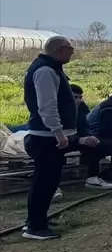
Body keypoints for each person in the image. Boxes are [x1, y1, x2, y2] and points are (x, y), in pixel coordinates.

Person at [21, 36, 78, 240]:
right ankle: (35, 227)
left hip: (49, 136)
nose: (72, 52)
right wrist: (59, 133)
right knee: (44, 182)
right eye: (70, 49)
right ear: (58, 49)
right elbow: (47, 106)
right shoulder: (45, 71)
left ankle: (37, 219)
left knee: (48, 181)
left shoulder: (52, 68)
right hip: (46, 138)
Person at [71, 84, 112, 190]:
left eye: (80, 97)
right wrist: (79, 139)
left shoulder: (81, 107)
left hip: (77, 138)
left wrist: (90, 136)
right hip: (60, 139)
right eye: (75, 97)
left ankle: (92, 178)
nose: (78, 100)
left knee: (96, 145)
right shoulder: (58, 108)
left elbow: (85, 125)